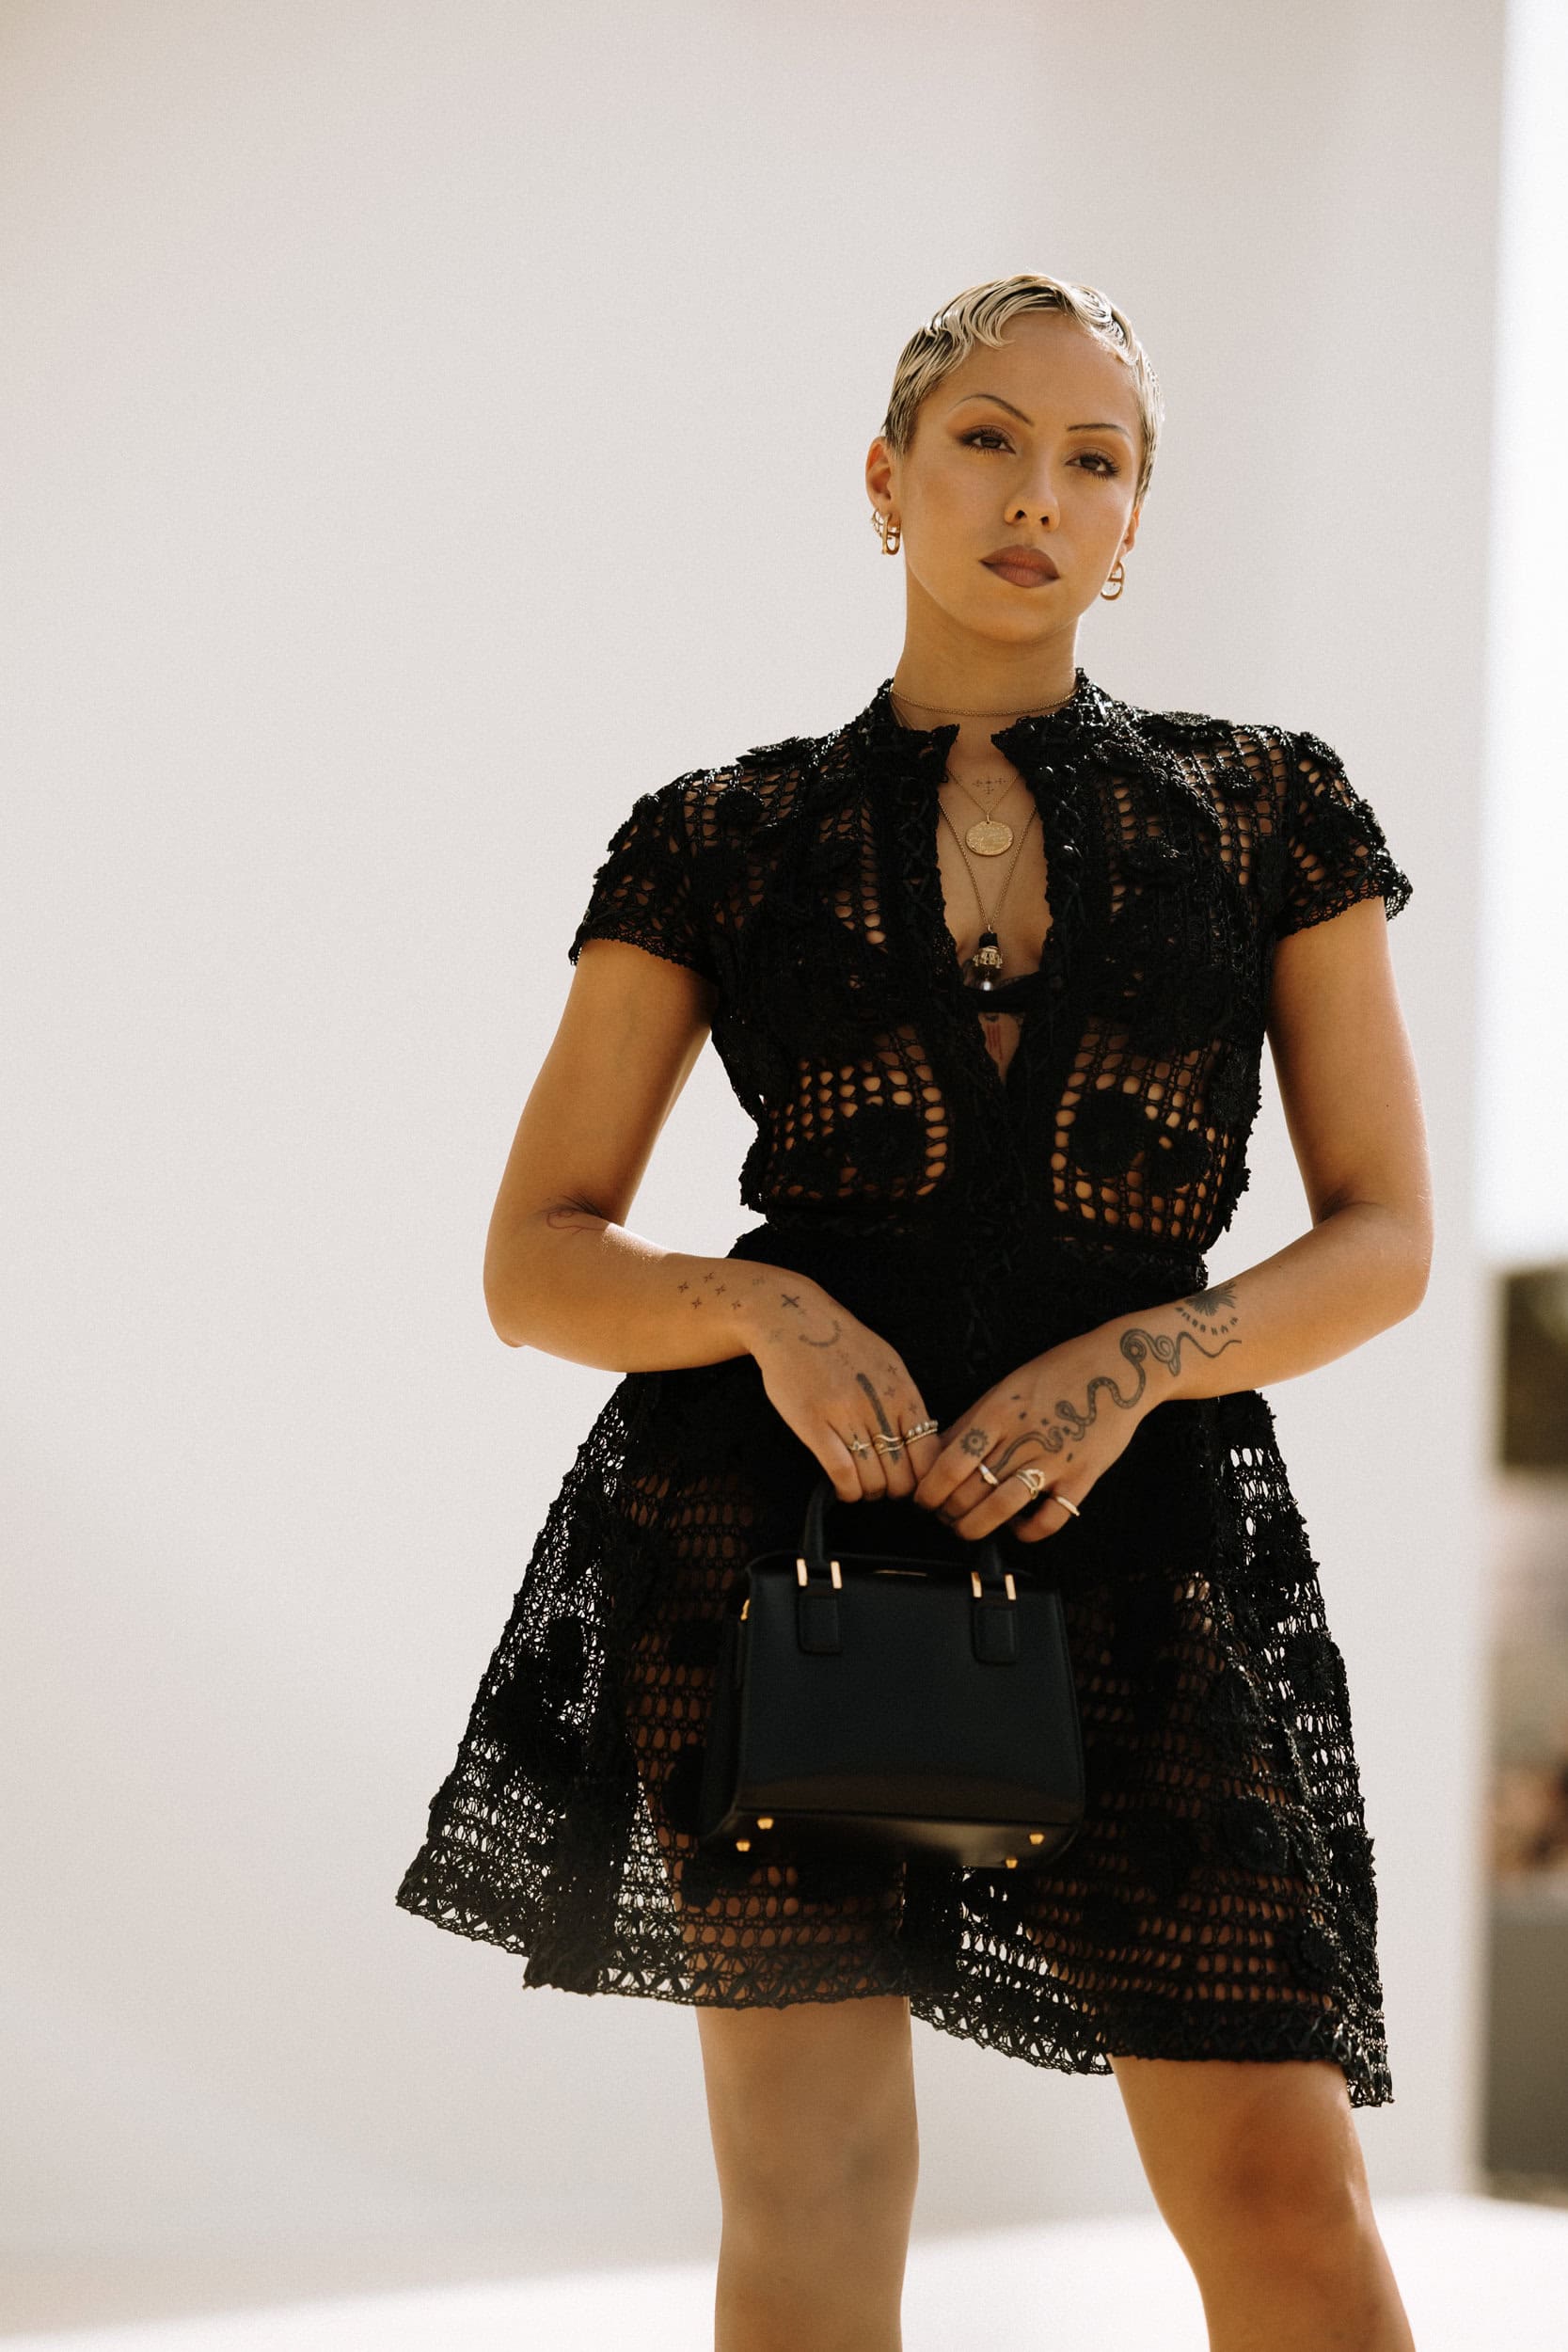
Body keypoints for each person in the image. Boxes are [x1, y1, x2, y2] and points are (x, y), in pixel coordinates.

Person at [396, 273, 1432, 2351]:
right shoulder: (719, 835)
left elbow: (1385, 1234)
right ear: (886, 477)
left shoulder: (1267, 808)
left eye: (1094, 459)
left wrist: (1135, 1364)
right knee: (814, 2185)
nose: (1037, 494)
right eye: (986, 439)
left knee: (1282, 2193)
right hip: (778, 1542)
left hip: (1142, 1534)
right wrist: (767, 1310)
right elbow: (537, 1257)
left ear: (1134, 520)